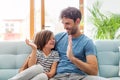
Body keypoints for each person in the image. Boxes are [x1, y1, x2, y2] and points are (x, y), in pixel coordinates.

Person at [50, 7, 109, 80]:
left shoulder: (87, 42)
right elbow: (43, 51)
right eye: (63, 23)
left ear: (77, 21)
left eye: (67, 23)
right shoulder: (58, 38)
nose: (64, 27)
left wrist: (72, 58)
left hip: (79, 77)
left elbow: (94, 71)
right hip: (59, 77)